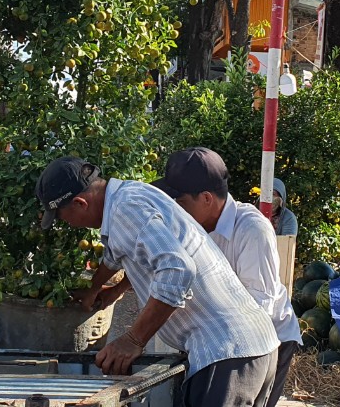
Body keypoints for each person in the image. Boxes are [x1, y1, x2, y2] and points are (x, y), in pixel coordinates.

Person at [37, 157, 280, 407]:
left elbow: (178, 269)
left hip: (227, 354)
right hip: (250, 349)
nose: (66, 223)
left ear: (80, 203)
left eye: (62, 216)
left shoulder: (125, 210)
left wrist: (133, 340)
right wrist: (97, 289)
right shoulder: (128, 195)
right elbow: (120, 252)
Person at [156, 147, 303, 404]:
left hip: (268, 339)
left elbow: (262, 305)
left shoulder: (252, 229)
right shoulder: (195, 227)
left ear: (206, 199)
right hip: (225, 341)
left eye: (180, 203)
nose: (175, 211)